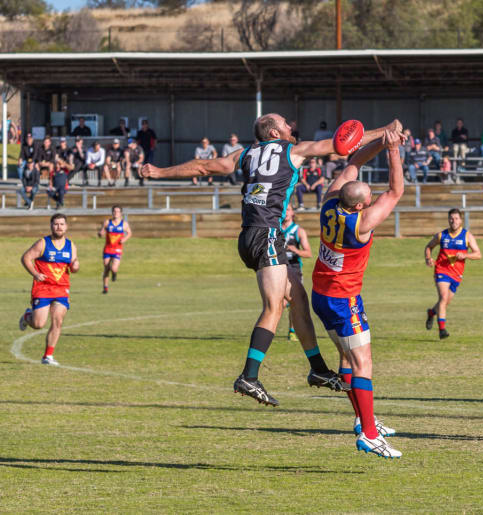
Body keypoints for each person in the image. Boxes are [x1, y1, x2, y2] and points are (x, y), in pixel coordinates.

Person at [141, 113, 400, 407]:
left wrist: (160, 172)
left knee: (297, 297)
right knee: (274, 307)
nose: (292, 126)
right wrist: (385, 133)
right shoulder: (293, 150)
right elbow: (340, 145)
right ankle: (249, 376)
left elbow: (203, 165)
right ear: (275, 132)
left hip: (249, 236)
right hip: (267, 235)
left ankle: (317, 369)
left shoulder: (246, 153)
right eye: (286, 123)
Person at [311, 128, 405, 459]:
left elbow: (352, 164)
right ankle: (367, 433)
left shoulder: (327, 203)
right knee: (363, 364)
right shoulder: (361, 224)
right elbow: (395, 192)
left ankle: (363, 419)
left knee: (349, 361)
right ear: (362, 205)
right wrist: (393, 150)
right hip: (343, 299)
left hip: (321, 294)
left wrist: (380, 141)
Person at [18, 213, 80, 366]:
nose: (59, 227)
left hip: (61, 289)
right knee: (39, 323)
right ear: (51, 226)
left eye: (61, 224)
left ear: (66, 226)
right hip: (43, 288)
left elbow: (73, 264)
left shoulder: (71, 245)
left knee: (58, 320)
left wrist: (76, 266)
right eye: (56, 224)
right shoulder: (43, 243)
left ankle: (48, 356)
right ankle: (27, 316)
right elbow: (25, 257)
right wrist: (35, 273)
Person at [424, 208, 482, 339]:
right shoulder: (441, 235)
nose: (453, 221)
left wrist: (465, 255)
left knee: (444, 302)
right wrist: (428, 258)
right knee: (443, 298)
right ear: (448, 220)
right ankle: (442, 330)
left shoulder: (467, 236)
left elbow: (478, 254)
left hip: (457, 274)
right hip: (441, 270)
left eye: (456, 218)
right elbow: (429, 247)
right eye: (451, 218)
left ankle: (432, 312)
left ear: (461, 220)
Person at [281, 204, 311, 341]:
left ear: (293, 213)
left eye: (288, 209)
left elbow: (308, 253)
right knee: (279, 302)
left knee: (294, 302)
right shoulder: (275, 230)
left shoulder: (299, 231)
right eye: (283, 209)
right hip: (278, 269)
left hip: (294, 270)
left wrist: (296, 250)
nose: (285, 212)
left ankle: (292, 331)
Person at [98, 205, 132, 294]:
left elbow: (129, 233)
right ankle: (105, 287)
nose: (116, 213)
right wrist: (100, 233)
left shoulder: (124, 224)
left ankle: (114, 274)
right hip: (108, 248)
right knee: (106, 267)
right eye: (114, 211)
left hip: (117, 249)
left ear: (121, 213)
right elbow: (101, 232)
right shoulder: (107, 222)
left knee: (114, 268)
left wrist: (124, 239)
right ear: (112, 212)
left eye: (118, 211)